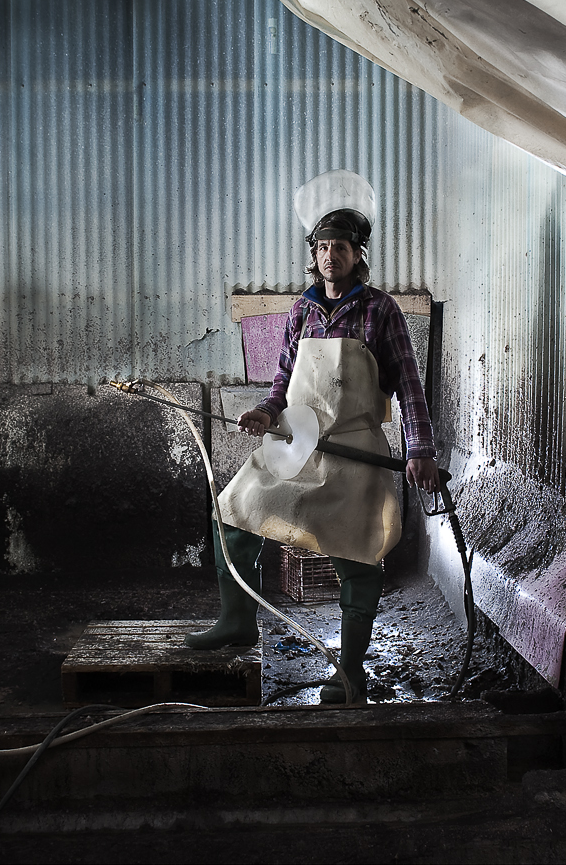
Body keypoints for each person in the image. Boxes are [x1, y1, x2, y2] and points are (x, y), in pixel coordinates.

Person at [186, 170, 438, 706]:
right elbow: (283, 379)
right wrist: (264, 409)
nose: (330, 257)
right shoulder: (302, 309)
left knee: (358, 558)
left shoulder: (380, 311)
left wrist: (420, 449)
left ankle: (349, 674)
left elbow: (411, 387)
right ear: (313, 254)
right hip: (298, 446)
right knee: (231, 511)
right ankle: (236, 622)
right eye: (322, 248)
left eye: (340, 248)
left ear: (357, 254)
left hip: (356, 453)